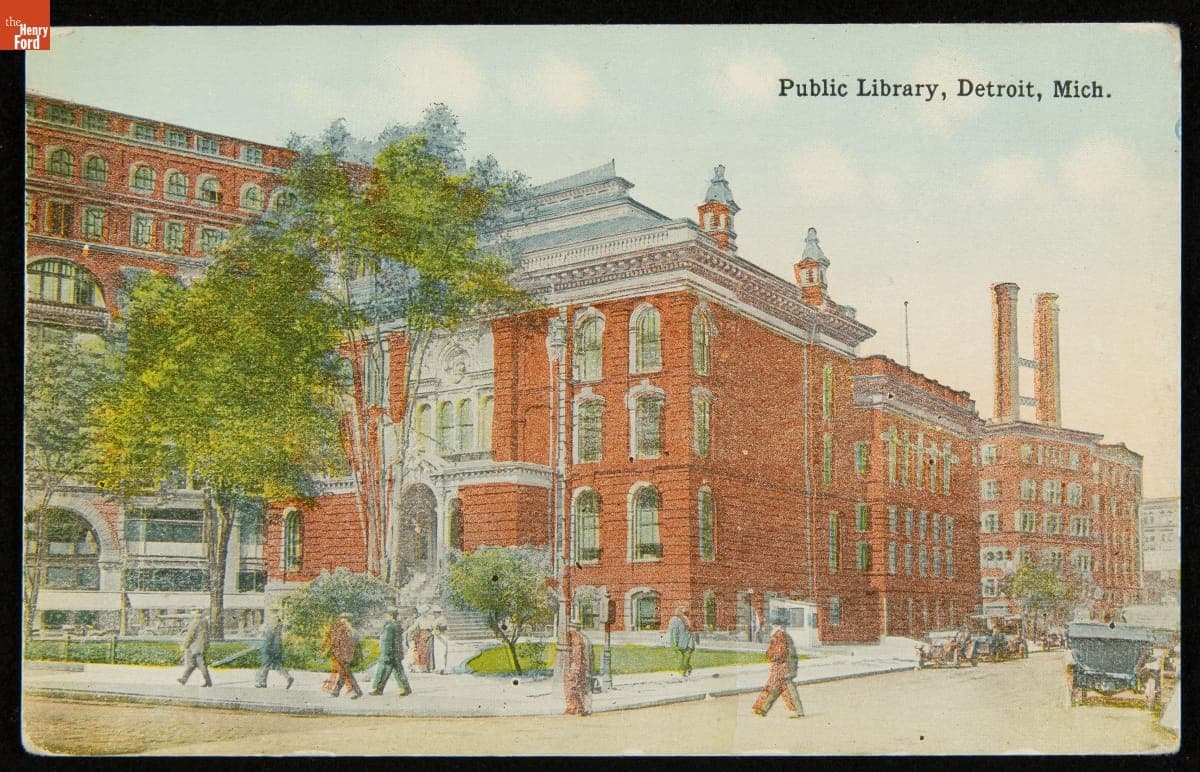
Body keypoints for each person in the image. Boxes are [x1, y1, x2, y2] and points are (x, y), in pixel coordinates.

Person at [752, 611, 805, 718]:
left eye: (773, 624)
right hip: (784, 667)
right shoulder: (783, 635)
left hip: (782, 667)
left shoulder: (779, 635)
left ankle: (798, 712)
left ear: (776, 625)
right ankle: (763, 708)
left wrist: (770, 655)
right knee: (776, 688)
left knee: (787, 689)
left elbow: (779, 653)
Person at [370, 610, 412, 697]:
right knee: (398, 671)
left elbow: (386, 641)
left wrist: (384, 653)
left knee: (383, 670)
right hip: (396, 652)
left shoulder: (389, 626)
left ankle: (378, 689)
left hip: (389, 653)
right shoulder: (397, 625)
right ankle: (405, 688)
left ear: (390, 615)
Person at [322, 613, 362, 699]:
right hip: (344, 655)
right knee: (343, 674)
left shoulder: (348, 630)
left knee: (347, 674)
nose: (341, 620)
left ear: (346, 619)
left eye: (342, 618)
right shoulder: (350, 630)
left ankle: (358, 692)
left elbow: (350, 644)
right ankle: (336, 692)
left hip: (345, 656)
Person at [563, 618, 593, 716]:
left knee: (571, 686)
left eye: (570, 627)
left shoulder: (575, 637)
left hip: (577, 666)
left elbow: (577, 654)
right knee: (582, 687)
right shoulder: (585, 637)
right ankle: (583, 708)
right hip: (586, 666)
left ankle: (573, 708)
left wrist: (574, 668)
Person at [177, 608, 213, 687]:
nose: (191, 612)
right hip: (201, 646)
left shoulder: (195, 621)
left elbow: (190, 635)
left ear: (196, 612)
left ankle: (208, 681)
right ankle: (184, 679)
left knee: (198, 664)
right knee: (194, 664)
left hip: (194, 647)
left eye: (193, 611)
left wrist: (185, 645)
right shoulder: (205, 621)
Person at [255, 618, 293, 689]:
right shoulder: (278, 629)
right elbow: (278, 640)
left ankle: (263, 682)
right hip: (276, 648)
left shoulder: (270, 628)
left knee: (266, 665)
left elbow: (265, 639)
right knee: (275, 665)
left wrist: (262, 648)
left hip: (269, 648)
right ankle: (288, 677)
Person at [667, 605, 695, 676]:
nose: (685, 613)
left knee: (686, 656)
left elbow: (689, 629)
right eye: (683, 611)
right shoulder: (675, 620)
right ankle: (685, 669)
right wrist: (675, 642)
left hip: (689, 640)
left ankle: (685, 669)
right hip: (682, 642)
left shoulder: (685, 619)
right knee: (686, 656)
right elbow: (674, 632)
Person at [431, 606, 451, 675]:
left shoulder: (442, 619)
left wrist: (438, 630)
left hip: (442, 636)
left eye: (435, 612)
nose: (434, 614)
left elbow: (446, 627)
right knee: (437, 652)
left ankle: (442, 668)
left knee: (442, 652)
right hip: (436, 637)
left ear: (438, 613)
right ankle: (438, 668)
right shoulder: (435, 619)